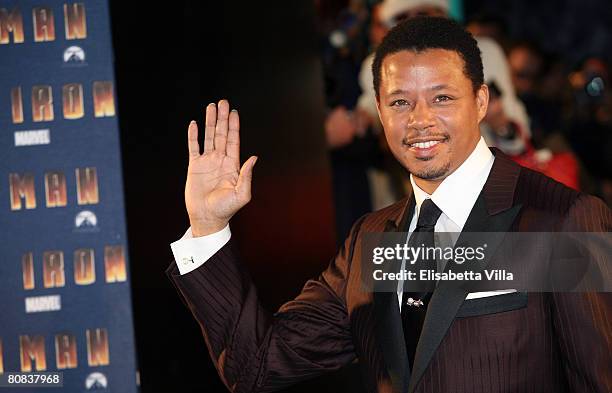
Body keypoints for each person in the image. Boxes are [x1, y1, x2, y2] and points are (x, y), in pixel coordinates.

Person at [167, 17, 611, 393]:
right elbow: (256, 365)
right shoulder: (371, 240)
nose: (419, 119)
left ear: (480, 101)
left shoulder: (566, 220)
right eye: (400, 102)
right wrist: (207, 226)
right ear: (380, 111)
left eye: (442, 97)